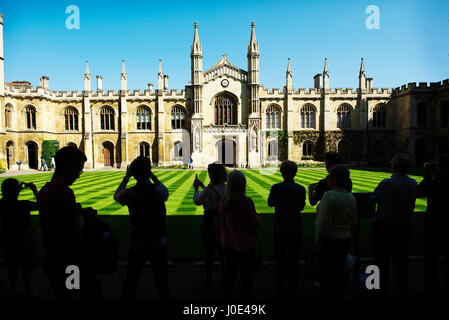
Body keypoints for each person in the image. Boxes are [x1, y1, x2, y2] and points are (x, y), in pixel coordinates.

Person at [38, 146, 92, 300]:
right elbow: (77, 229)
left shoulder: (44, 190)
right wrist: (83, 215)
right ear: (69, 166)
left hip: (51, 258)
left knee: (61, 295)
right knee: (72, 295)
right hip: (68, 261)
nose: (79, 175)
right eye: (79, 170)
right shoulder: (64, 192)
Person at [114, 156, 170, 300]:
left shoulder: (130, 193)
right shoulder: (160, 192)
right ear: (149, 171)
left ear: (133, 173)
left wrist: (126, 178)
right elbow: (164, 190)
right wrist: (151, 174)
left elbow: (116, 196)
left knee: (131, 281)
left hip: (138, 242)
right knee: (162, 282)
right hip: (159, 241)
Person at [370, 153, 417, 299]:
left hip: (385, 227)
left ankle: (376, 289)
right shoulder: (413, 183)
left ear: (394, 166)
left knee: (379, 261)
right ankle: (404, 290)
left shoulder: (387, 183)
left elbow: (373, 198)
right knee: (401, 260)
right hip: (404, 226)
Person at [314, 165, 357, 300]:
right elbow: (354, 223)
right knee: (339, 275)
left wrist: (317, 243)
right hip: (345, 241)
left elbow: (323, 224)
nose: (327, 179)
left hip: (330, 241)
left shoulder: (329, 196)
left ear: (334, 179)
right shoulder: (350, 196)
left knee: (327, 278)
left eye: (329, 177)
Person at [218, 170, 260, 300]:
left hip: (228, 244)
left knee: (229, 276)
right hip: (246, 244)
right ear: (244, 184)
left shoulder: (224, 202)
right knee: (246, 276)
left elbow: (221, 224)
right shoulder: (247, 202)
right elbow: (255, 223)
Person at [268, 160, 306, 298]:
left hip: (280, 227)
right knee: (294, 261)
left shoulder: (276, 187)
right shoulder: (301, 189)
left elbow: (270, 202)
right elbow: (301, 207)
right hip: (295, 227)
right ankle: (294, 289)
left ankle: (280, 289)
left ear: (281, 172)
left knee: (279, 261)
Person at [0, 179, 41, 298]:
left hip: (8, 240)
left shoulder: (2, 205)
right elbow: (40, 205)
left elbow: (5, 199)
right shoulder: (23, 205)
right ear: (16, 191)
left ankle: (13, 293)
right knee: (26, 269)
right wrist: (34, 190)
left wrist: (15, 190)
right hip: (24, 240)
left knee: (12, 269)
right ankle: (29, 292)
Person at [417, 153, 449, 297]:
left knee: (431, 257)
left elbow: (419, 192)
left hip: (435, 222)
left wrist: (426, 178)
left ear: (439, 167)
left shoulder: (436, 182)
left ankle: (431, 287)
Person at [193, 162, 227, 289]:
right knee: (223, 251)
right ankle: (225, 278)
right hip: (223, 221)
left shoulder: (208, 190)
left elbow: (197, 201)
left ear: (213, 175)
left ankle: (209, 279)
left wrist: (196, 188)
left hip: (209, 220)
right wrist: (202, 185)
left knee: (209, 252)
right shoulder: (226, 188)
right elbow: (212, 192)